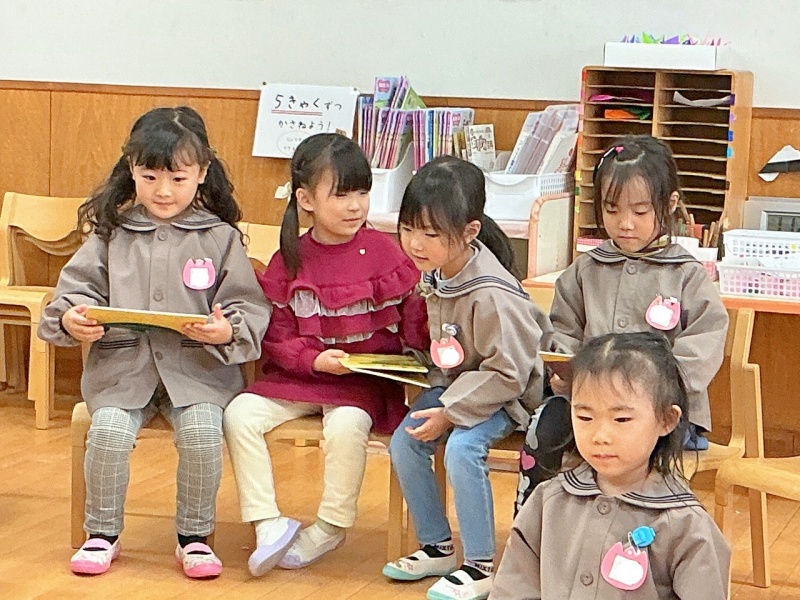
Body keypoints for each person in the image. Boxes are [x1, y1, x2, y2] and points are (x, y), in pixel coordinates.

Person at [38, 106, 270, 578]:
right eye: (150, 177)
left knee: (203, 433)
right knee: (107, 432)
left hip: (198, 376)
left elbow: (248, 307)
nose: (164, 191)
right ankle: (102, 533)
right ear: (131, 169)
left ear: (202, 173)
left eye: (178, 179)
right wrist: (73, 319)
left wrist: (227, 330)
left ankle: (194, 538)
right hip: (122, 375)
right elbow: (70, 297)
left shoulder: (220, 238)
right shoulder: (111, 233)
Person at [223, 133, 428, 576]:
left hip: (361, 385)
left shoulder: (386, 252)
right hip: (298, 379)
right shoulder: (290, 257)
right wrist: (313, 361)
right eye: (340, 195)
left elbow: (412, 326)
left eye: (362, 193)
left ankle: (332, 525)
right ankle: (267, 522)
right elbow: (276, 335)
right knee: (239, 414)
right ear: (305, 199)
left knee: (347, 425)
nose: (355, 206)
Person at [516, 135, 729, 510]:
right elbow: (562, 332)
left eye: (641, 211)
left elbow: (705, 340)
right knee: (545, 426)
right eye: (612, 210)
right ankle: (538, 527)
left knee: (632, 448)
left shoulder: (686, 274)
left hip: (661, 409)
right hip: (592, 403)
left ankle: (633, 530)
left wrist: (663, 385)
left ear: (669, 205)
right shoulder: (585, 269)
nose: (625, 224)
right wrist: (562, 366)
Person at [382, 156, 551, 600]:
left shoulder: (491, 293)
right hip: (456, 386)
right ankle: (437, 546)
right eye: (408, 229)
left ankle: (479, 565)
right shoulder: (439, 272)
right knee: (404, 442)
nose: (415, 243)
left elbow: (510, 373)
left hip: (506, 397)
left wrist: (451, 413)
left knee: (462, 448)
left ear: (470, 231)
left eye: (430, 233)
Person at [492, 332, 730, 599]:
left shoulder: (686, 524)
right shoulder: (548, 501)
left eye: (621, 419)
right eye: (585, 417)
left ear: (666, 420)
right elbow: (512, 590)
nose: (600, 436)